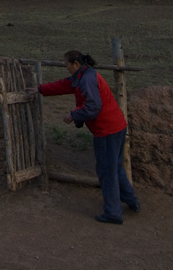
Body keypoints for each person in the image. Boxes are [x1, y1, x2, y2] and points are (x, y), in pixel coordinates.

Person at [26, 50, 140, 224]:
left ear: (76, 64)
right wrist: (41, 89)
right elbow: (65, 85)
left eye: (67, 65)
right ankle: (131, 201)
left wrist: (74, 115)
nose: (67, 69)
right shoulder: (84, 75)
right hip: (116, 126)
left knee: (106, 171)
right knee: (115, 167)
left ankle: (113, 212)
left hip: (107, 130)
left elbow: (93, 106)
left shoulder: (86, 79)